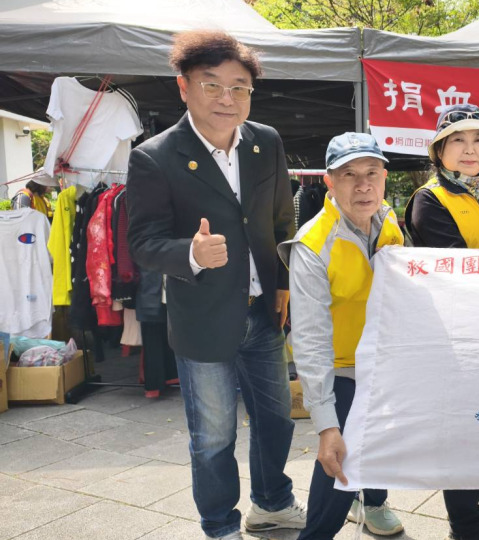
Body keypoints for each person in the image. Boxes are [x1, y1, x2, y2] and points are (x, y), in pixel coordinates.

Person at [126, 30, 302, 540]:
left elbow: (282, 219)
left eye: (239, 87)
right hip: (203, 318)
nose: (227, 98)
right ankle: (220, 524)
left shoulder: (265, 141)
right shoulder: (155, 156)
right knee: (213, 434)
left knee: (277, 419)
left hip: (264, 311)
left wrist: (283, 283)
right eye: (212, 85)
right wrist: (190, 253)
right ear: (184, 87)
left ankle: (271, 503)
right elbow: (143, 242)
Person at [279, 132, 406, 539]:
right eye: (349, 175)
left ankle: (375, 502)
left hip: (382, 359)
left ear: (384, 178)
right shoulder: (313, 245)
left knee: (380, 441)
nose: (363, 185)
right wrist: (326, 425)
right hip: (340, 366)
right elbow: (311, 341)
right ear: (329, 182)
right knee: (340, 456)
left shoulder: (388, 221)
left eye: (372, 173)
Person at [405, 103, 479, 540]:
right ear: (439, 151)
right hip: (456, 335)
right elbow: (456, 264)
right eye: (459, 140)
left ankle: (471, 507)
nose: (470, 149)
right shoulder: (428, 200)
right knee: (465, 427)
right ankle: (464, 519)